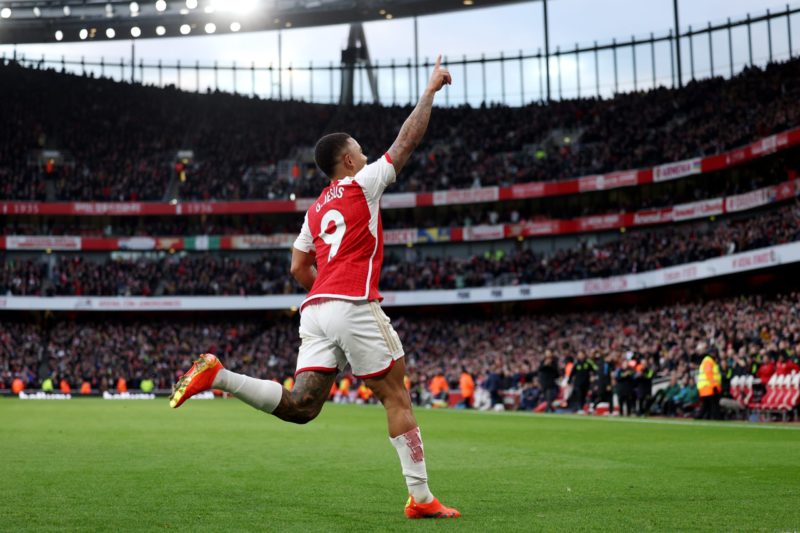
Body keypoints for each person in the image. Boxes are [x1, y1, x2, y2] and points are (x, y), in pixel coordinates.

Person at [169, 57, 459, 520]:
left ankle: (219, 376)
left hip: (316, 307)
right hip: (352, 302)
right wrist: (429, 92)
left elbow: (297, 265)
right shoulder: (362, 184)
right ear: (347, 161)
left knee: (303, 406)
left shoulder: (313, 211)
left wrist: (324, 290)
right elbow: (407, 141)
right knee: (396, 396)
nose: (366, 156)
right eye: (360, 152)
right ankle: (422, 500)